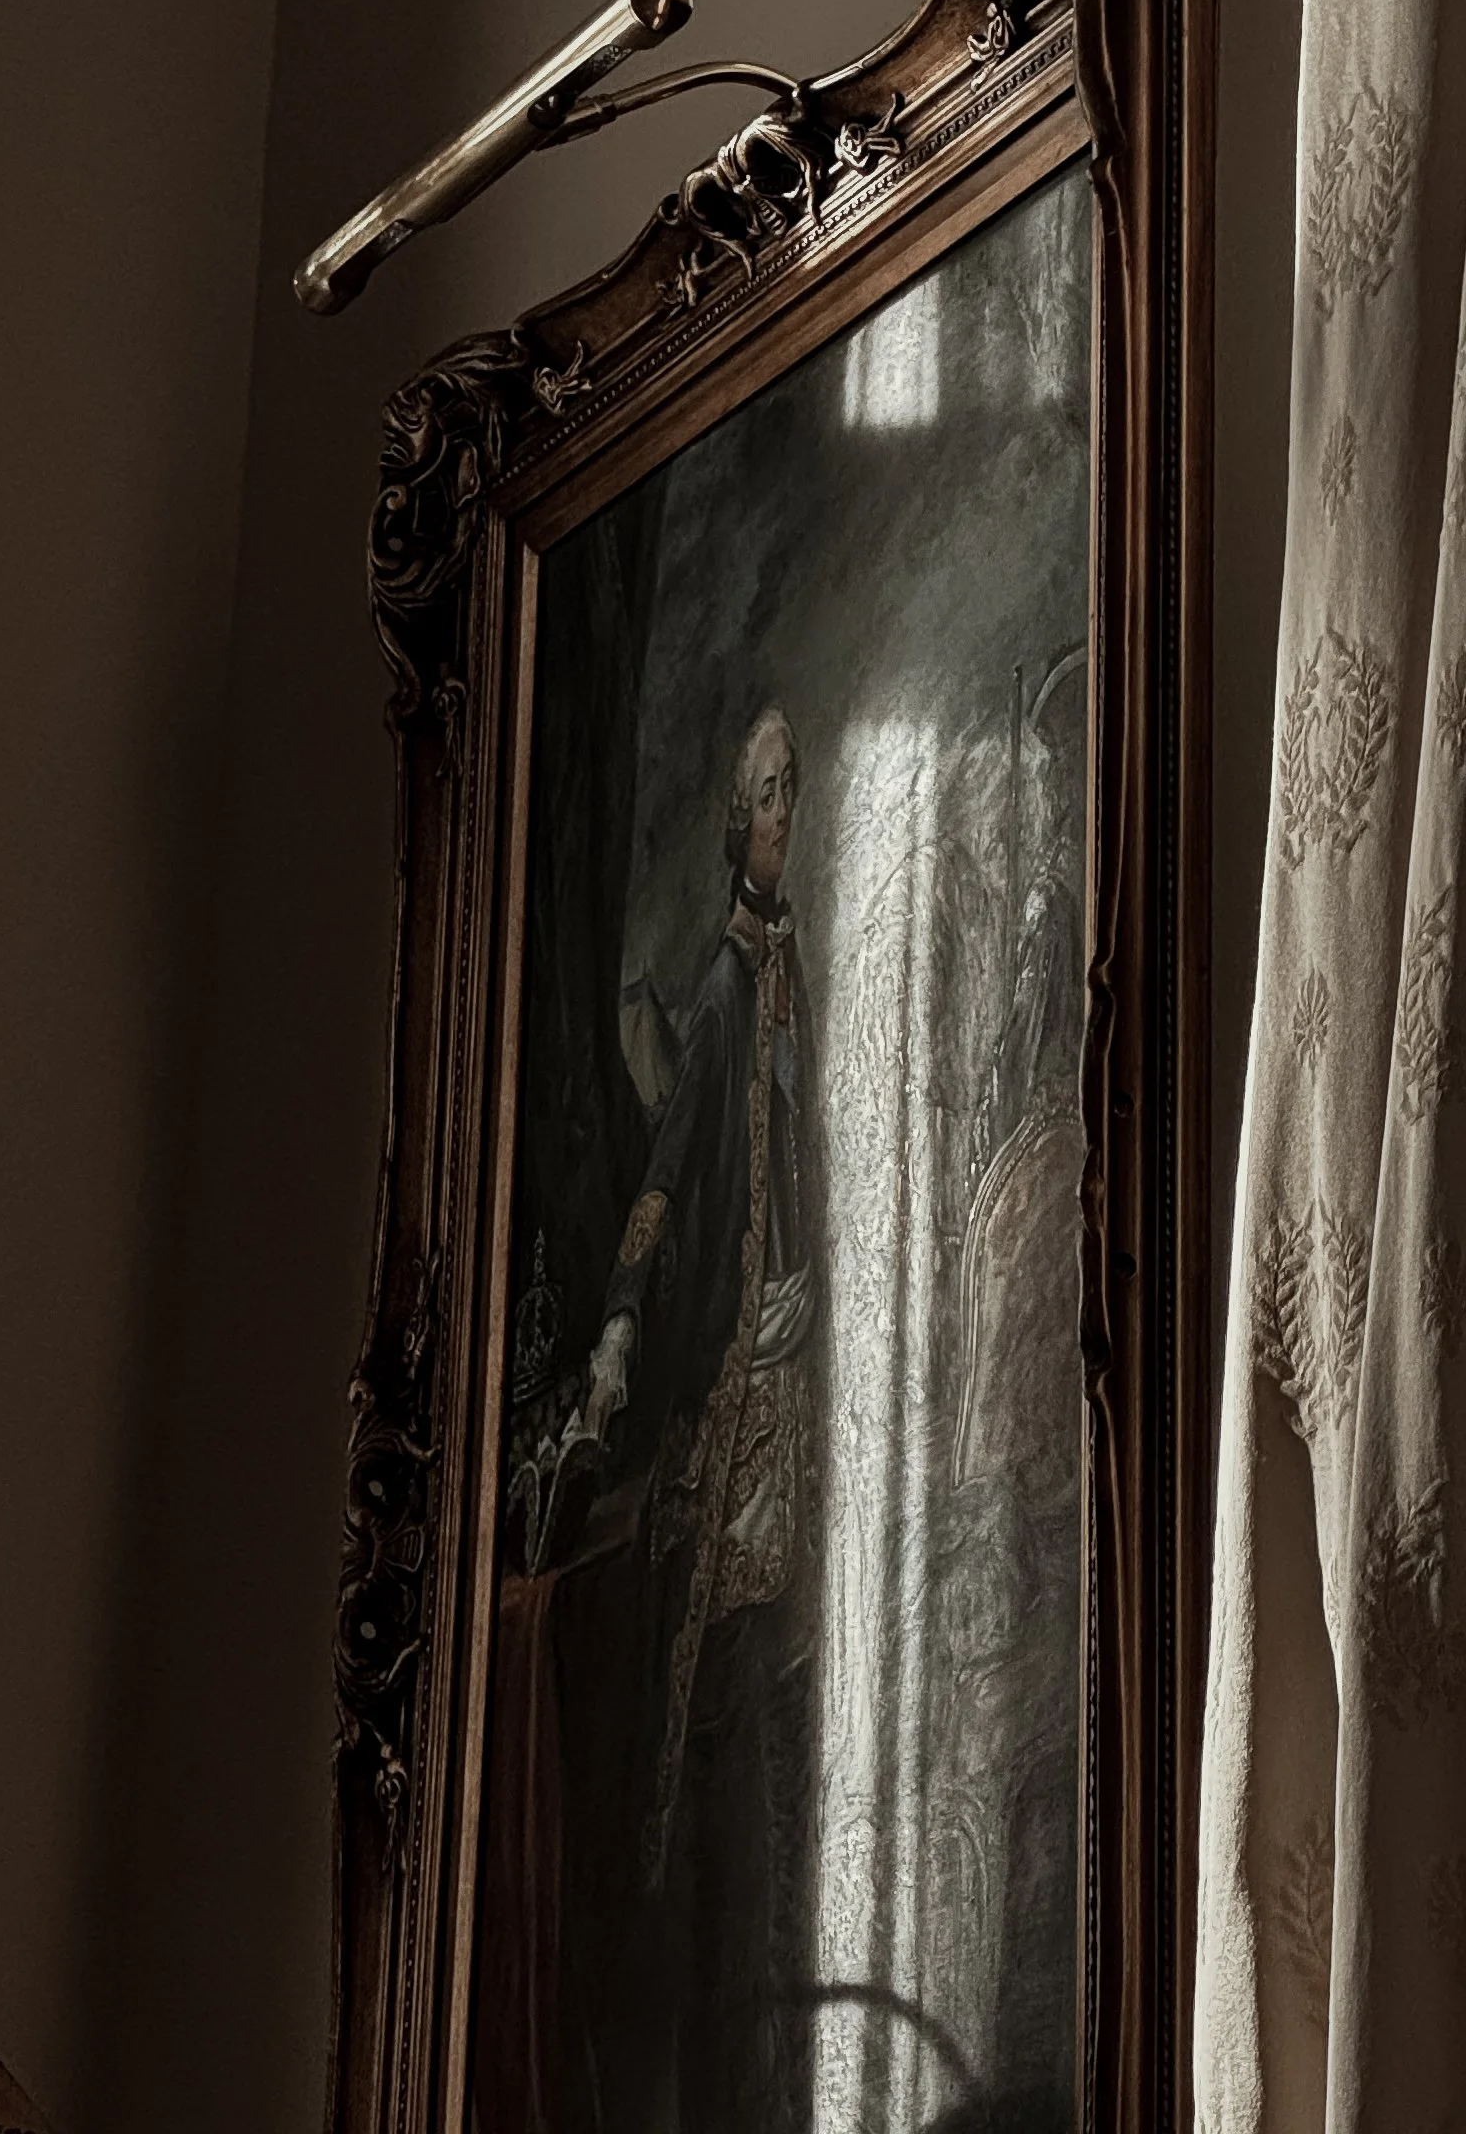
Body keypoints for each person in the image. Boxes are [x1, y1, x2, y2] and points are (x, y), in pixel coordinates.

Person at [579, 702, 822, 2125]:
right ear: (740, 825)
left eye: (798, 789)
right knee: (719, 1740)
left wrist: (809, 1298)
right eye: (771, 794)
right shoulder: (729, 997)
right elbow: (670, 1183)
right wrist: (620, 1326)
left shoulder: (798, 981)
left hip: (793, 1393)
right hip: (729, 1406)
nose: (788, 811)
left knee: (781, 1730)